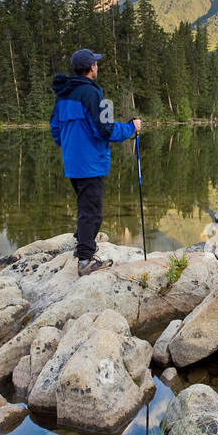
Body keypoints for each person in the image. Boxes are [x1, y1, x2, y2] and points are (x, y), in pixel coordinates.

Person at [50, 48, 142, 276]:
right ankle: (84, 260)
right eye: (96, 64)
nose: (97, 67)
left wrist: (71, 146)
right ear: (91, 68)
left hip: (72, 162)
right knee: (92, 212)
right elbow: (105, 129)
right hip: (90, 163)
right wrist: (132, 128)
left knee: (84, 206)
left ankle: (82, 241)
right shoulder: (93, 94)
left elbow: (55, 129)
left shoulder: (63, 95)